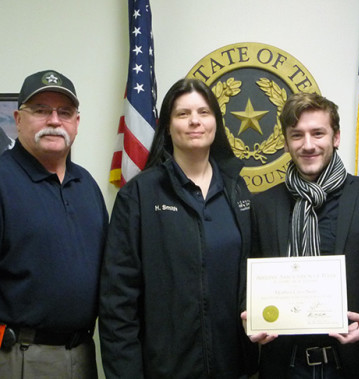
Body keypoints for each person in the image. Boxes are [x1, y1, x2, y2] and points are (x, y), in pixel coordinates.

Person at [0, 70, 108, 379]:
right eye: (41, 110)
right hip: (15, 360)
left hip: (82, 357)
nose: (54, 120)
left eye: (64, 112)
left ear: (76, 123)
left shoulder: (87, 187)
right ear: (18, 119)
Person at [98, 78, 256, 378]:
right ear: (167, 126)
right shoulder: (139, 195)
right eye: (183, 114)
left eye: (203, 112)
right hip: (164, 368)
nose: (195, 121)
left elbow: (251, 279)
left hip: (232, 367)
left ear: (216, 123)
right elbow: (117, 302)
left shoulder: (238, 191)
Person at [246, 92, 359, 378]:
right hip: (286, 364)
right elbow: (249, 279)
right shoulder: (263, 205)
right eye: (297, 135)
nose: (308, 145)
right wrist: (251, 315)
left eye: (318, 133)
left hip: (356, 362)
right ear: (285, 143)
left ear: (336, 137)